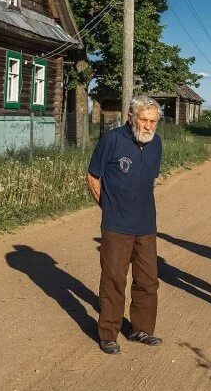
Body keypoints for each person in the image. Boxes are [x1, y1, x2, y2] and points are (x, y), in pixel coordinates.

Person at [85, 96, 164, 354]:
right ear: (131, 117)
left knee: (148, 280)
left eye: (153, 121)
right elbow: (92, 177)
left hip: (146, 224)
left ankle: (141, 329)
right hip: (116, 225)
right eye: (144, 119)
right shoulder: (113, 140)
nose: (149, 126)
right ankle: (108, 333)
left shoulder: (156, 144)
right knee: (114, 279)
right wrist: (108, 207)